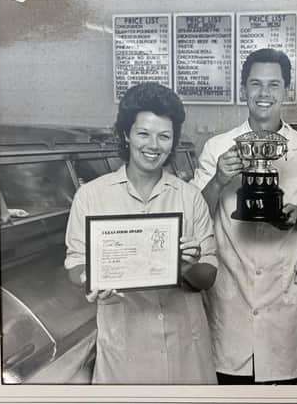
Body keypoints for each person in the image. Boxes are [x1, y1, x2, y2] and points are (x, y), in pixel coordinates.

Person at [190, 48, 297, 384]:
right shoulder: (217, 147)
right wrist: (218, 180)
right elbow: (193, 217)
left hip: (286, 304)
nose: (264, 93)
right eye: (255, 84)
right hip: (231, 305)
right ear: (243, 90)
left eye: (274, 84)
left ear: (286, 91)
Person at [64, 82, 218, 384]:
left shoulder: (189, 197)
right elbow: (75, 262)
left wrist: (188, 266)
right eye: (143, 133)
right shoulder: (91, 196)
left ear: (173, 141)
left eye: (164, 136)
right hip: (125, 349)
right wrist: (92, 278)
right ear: (126, 134)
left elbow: (208, 276)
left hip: (184, 344)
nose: (153, 145)